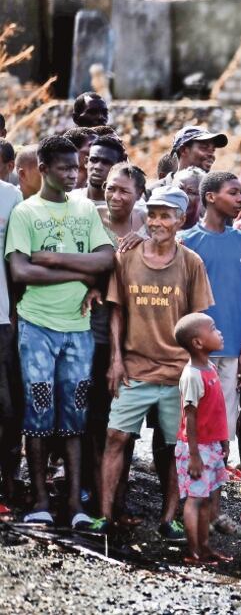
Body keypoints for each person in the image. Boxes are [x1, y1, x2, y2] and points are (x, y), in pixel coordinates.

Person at [5, 135, 115, 528]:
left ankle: (74, 505)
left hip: (79, 330)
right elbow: (20, 271)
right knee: (37, 415)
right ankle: (39, 501)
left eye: (76, 168)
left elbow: (106, 259)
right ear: (44, 169)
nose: (74, 174)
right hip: (36, 327)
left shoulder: (86, 209)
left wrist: (54, 260)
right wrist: (79, 270)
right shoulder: (25, 213)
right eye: (65, 168)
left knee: (75, 417)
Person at [93, 186, 214, 540]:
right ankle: (103, 516)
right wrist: (116, 359)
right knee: (115, 436)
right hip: (134, 369)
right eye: (154, 215)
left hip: (177, 373)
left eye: (166, 215)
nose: (158, 222)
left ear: (180, 219)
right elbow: (116, 311)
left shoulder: (192, 263)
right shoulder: (127, 257)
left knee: (176, 446)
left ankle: (170, 518)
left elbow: (198, 323)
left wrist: (197, 372)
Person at [179, 171, 241, 538]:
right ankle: (189, 505)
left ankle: (216, 509)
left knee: (222, 433)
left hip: (232, 350)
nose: (240, 199)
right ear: (209, 197)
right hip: (196, 354)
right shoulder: (187, 241)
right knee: (192, 429)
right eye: (233, 193)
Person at [86, 163, 147, 524]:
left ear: (139, 193)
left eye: (124, 190)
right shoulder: (91, 216)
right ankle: (94, 498)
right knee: (95, 419)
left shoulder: (145, 223)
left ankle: (119, 500)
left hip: (134, 334)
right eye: (110, 188)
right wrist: (98, 280)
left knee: (124, 423)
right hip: (94, 329)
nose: (115, 196)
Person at [173, 313, 232, 566]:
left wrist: (224, 440)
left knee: (208, 498)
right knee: (195, 500)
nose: (219, 333)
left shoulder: (209, 368)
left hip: (212, 446)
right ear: (197, 342)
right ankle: (193, 550)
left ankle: (205, 546)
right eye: (214, 329)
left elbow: (216, 410)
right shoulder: (192, 375)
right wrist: (194, 456)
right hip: (195, 449)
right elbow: (190, 418)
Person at [0, 163, 20, 517]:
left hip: (1, 318)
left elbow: (18, 260)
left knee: (5, 409)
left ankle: (7, 486)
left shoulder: (10, 196)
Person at [71, 135, 126, 206]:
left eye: (106, 162)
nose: (98, 167)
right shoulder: (68, 200)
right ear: (86, 162)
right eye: (94, 160)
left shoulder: (125, 208)